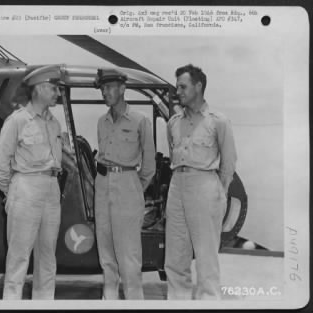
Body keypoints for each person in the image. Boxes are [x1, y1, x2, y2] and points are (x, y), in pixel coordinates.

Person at [165, 64, 237, 300]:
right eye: (177, 87)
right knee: (175, 257)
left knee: (206, 258)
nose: (179, 91)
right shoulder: (173, 122)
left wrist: (219, 193)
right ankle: (177, 302)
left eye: (183, 86)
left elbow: (228, 164)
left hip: (205, 187)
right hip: (177, 186)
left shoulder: (218, 121)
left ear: (198, 86)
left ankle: (208, 303)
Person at [0, 67, 63, 300]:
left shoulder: (54, 124)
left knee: (47, 259)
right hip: (26, 189)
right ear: (39, 89)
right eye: (54, 88)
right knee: (19, 259)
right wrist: (12, 192)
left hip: (52, 190)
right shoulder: (17, 121)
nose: (58, 93)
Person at [94, 68, 156, 299]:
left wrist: (132, 189)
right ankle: (108, 301)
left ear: (122, 88)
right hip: (102, 185)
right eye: (102, 88)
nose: (104, 92)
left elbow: (149, 167)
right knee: (106, 255)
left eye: (109, 87)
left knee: (129, 256)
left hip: (128, 184)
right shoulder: (102, 122)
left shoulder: (140, 121)